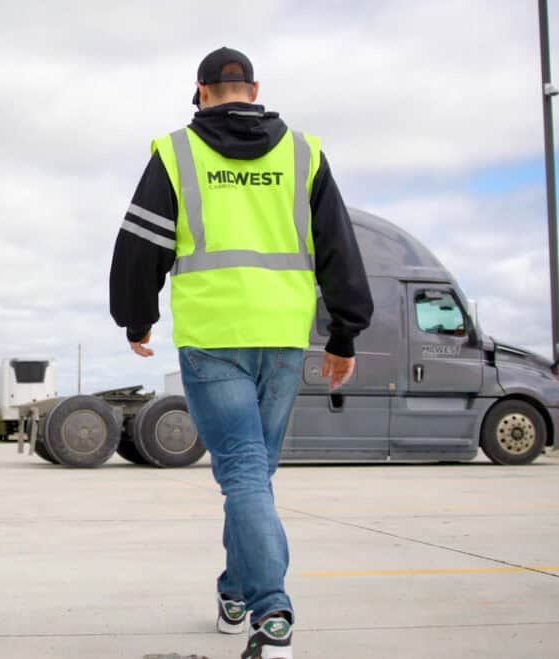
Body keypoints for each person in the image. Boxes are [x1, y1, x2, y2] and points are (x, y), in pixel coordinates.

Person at [109, 47, 372, 659]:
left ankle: (271, 614)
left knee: (245, 474)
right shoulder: (305, 155)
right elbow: (339, 247)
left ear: (200, 92)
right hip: (282, 335)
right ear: (254, 90)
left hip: (213, 336)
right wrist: (344, 333)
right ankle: (235, 590)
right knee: (252, 474)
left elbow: (141, 243)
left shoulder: (176, 152)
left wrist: (136, 319)